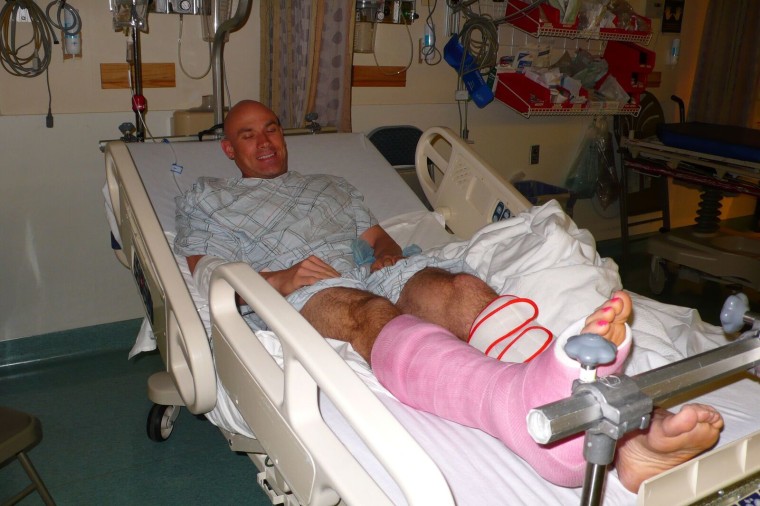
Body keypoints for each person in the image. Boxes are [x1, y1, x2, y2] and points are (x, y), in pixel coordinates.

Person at [175, 100, 723, 492]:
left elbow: (374, 238)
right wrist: (281, 278)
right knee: (369, 314)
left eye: (271, 128)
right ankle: (518, 413)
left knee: (458, 290)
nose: (266, 140)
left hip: (375, 272)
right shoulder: (210, 199)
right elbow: (205, 269)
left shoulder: (331, 186)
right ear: (228, 148)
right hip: (306, 290)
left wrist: (390, 252)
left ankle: (625, 434)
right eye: (248, 134)